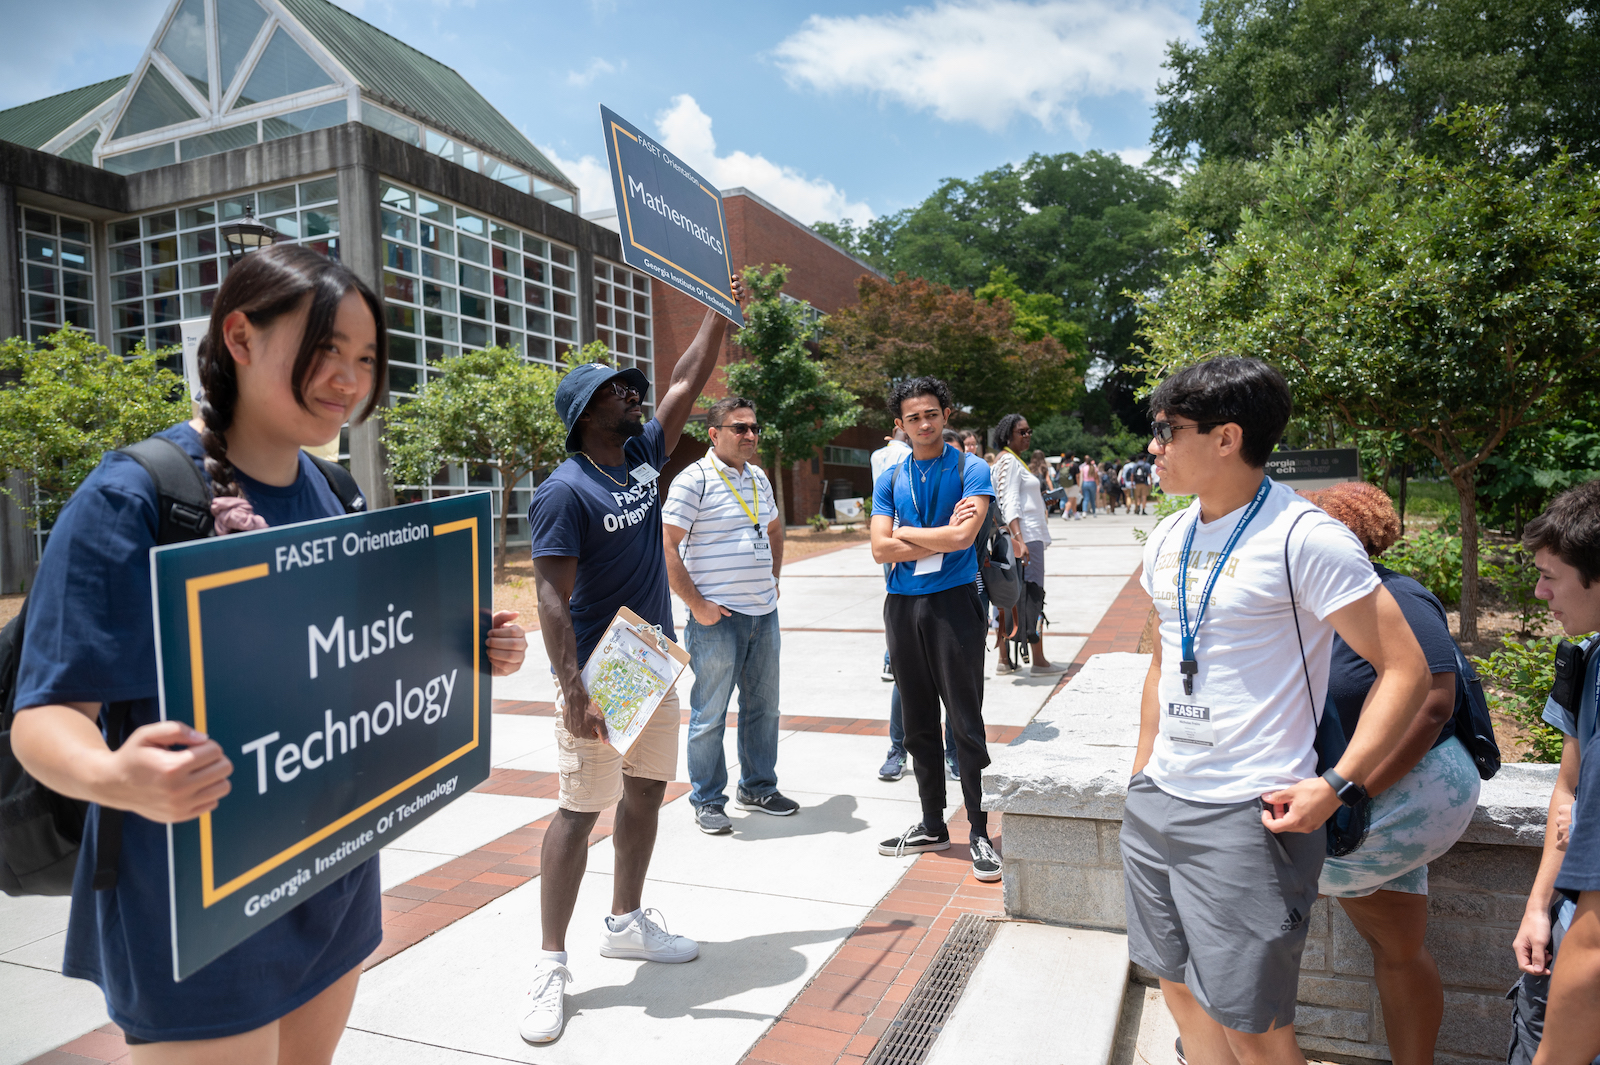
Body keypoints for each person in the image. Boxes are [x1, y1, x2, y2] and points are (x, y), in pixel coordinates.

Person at [10, 244, 530, 1061]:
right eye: (325, 350)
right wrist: (118, 777)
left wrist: (470, 648)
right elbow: (43, 718)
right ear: (241, 338)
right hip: (198, 907)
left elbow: (358, 657)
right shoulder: (132, 497)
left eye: (365, 358)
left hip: (334, 881)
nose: (349, 380)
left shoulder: (337, 493)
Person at [1121, 357, 1428, 1065]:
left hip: (1249, 813)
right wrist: (1141, 777)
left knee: (1254, 1025)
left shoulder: (1304, 537)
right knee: (1177, 987)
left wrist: (1338, 782)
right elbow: (1166, 661)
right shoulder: (1168, 537)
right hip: (1160, 801)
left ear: (1227, 437)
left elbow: (1406, 669)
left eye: (1167, 430)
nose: (1152, 446)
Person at [523, 276, 744, 1043]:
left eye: (630, 387)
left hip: (650, 654)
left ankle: (625, 919)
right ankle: (550, 963)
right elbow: (551, 598)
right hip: (599, 667)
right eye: (617, 391)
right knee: (580, 808)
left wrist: (717, 313)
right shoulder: (564, 489)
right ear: (586, 414)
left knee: (647, 791)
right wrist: (573, 687)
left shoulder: (645, 456)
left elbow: (686, 377)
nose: (634, 395)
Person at [1303, 481, 1481, 1065]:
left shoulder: (1395, 595)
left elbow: (1434, 701)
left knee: (1257, 876)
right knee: (1397, 946)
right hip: (1385, 793)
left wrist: (1351, 792)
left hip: (1407, 790)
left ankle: (1228, 1040)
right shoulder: (1338, 605)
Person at [870, 377, 1001, 882]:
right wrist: (935, 537)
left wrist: (904, 531)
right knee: (918, 721)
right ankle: (931, 824)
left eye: (932, 414)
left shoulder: (972, 467)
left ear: (946, 414)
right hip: (902, 606)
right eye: (913, 418)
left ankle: (981, 833)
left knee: (965, 722)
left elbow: (966, 536)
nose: (924, 424)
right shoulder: (891, 478)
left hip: (954, 604)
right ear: (899, 426)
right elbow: (880, 550)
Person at [663, 396, 796, 836]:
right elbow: (665, 545)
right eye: (740, 428)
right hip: (717, 620)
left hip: (764, 614)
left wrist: (773, 578)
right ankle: (706, 798)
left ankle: (758, 786)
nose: (751, 435)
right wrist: (697, 605)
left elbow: (774, 529)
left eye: (755, 428)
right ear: (714, 434)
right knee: (710, 713)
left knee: (764, 708)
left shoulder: (758, 477)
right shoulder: (693, 479)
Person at [1506, 479, 1600, 1065]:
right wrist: (1540, 906)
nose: (1539, 592)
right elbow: (1568, 787)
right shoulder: (1586, 661)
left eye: (1551, 575)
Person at [990, 415, 1066, 678]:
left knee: (1008, 596)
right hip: (1026, 538)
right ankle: (1038, 660)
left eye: (1028, 431)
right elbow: (1009, 502)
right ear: (1007, 434)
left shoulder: (1007, 460)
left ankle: (1004, 659)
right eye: (1021, 432)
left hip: (1018, 536)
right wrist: (1020, 539)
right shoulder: (1010, 460)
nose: (1027, 435)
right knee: (1033, 594)